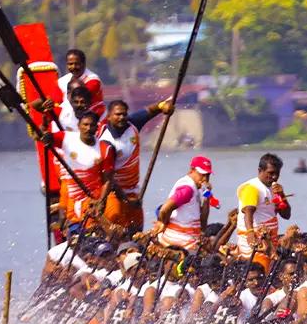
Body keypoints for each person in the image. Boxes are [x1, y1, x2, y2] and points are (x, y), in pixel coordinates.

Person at [99, 97, 174, 232]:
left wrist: (163, 106)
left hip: (133, 191)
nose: (122, 118)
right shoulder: (106, 142)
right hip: (113, 194)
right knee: (116, 232)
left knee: (136, 231)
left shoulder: (132, 124)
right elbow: (108, 179)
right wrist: (126, 200)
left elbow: (150, 111)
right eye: (117, 115)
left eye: (124, 114)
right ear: (109, 117)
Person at [43, 111, 114, 232]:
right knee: (74, 234)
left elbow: (108, 180)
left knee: (91, 236)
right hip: (72, 199)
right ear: (79, 126)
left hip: (93, 200)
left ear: (97, 127)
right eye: (85, 125)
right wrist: (45, 129)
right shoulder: (66, 138)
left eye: (92, 125)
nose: (88, 129)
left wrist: (101, 202)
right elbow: (43, 137)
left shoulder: (105, 148)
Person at [237, 153, 291, 259]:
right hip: (255, 241)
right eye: (270, 173)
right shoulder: (252, 188)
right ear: (260, 170)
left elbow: (286, 215)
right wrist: (250, 233)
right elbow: (248, 212)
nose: (274, 177)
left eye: (277, 174)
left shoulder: (275, 188)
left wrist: (282, 195)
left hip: (271, 240)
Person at [153, 156, 213, 250]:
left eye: (208, 175)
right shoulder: (187, 189)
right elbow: (164, 209)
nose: (205, 179)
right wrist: (162, 222)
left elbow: (203, 221)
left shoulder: (198, 188)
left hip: (190, 240)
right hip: (179, 242)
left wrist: (207, 196)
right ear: (192, 170)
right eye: (202, 174)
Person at [57, 48, 105, 118]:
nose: (73, 67)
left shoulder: (93, 80)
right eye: (70, 64)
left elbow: (78, 100)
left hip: (95, 120)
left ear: (84, 63)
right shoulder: (62, 81)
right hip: (70, 120)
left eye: (77, 64)